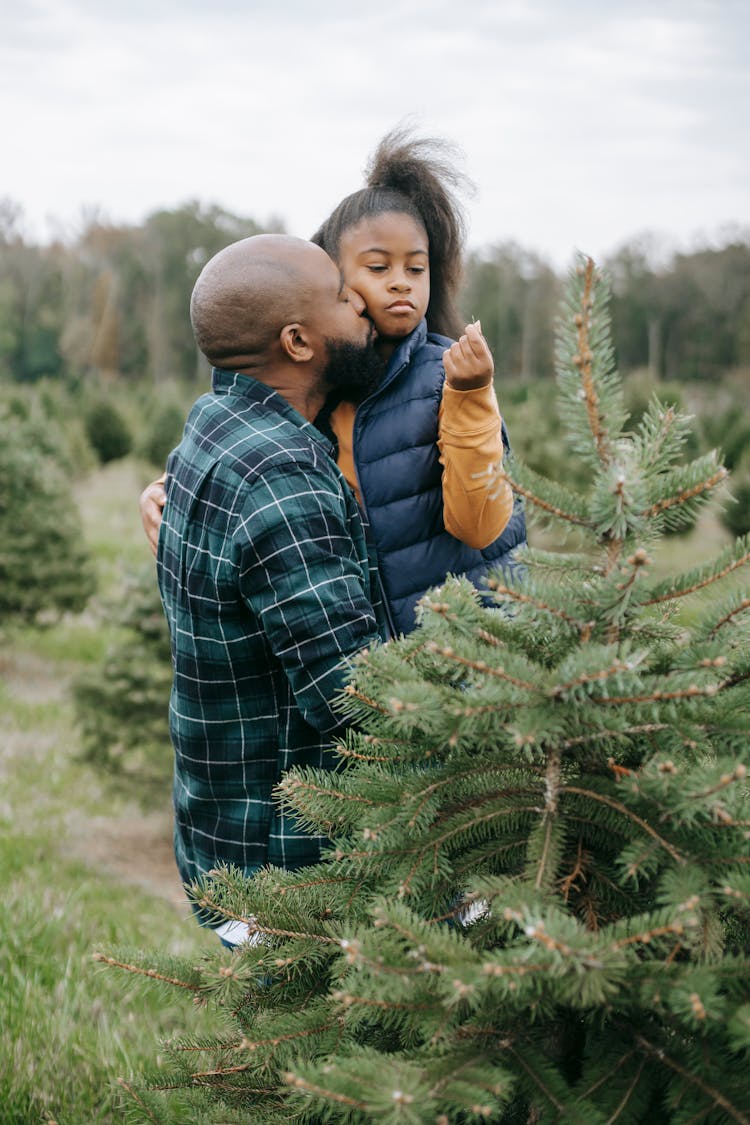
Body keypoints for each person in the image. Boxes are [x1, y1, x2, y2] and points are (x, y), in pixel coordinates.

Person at [141, 128, 526, 636]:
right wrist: (167, 491)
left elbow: (480, 525)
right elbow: (252, 452)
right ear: (334, 281)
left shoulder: (448, 376)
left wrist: (472, 397)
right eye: (377, 267)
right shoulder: (324, 377)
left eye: (416, 267)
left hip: (464, 659)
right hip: (375, 670)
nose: (400, 282)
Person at [157, 233, 388, 946]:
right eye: (345, 300)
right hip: (287, 871)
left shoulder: (212, 423)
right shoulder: (278, 474)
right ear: (298, 341)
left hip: (221, 838)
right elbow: (353, 694)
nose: (366, 308)